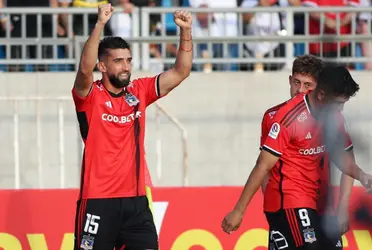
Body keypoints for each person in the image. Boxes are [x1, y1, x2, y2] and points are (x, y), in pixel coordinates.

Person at [71, 4, 193, 250]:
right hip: (97, 202)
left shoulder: (139, 91)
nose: (126, 66)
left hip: (136, 204)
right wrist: (100, 25)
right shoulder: (90, 96)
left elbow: (181, 71)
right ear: (102, 66)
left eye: (128, 60)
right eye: (118, 61)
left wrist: (186, 32)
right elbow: (85, 70)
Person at [221, 65, 372, 250]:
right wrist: (239, 210)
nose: (340, 109)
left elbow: (342, 159)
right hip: (291, 200)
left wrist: (362, 176)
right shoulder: (288, 118)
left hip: (321, 202)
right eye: (338, 103)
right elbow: (263, 165)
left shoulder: (334, 117)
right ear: (322, 94)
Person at [259, 55, 356, 249]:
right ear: (290, 81)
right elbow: (266, 169)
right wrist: (276, 215)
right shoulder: (274, 116)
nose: (300, 90)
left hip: (323, 206)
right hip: (292, 205)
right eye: (297, 82)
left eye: (307, 85)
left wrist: (343, 208)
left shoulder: (332, 117)